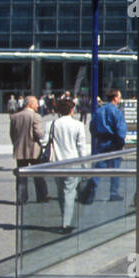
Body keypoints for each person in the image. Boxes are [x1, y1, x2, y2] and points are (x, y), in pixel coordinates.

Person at [48, 98, 89, 233]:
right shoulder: (78, 125)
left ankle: (64, 217)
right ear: (72, 110)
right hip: (72, 163)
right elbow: (82, 148)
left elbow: (44, 142)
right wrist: (86, 167)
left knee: (61, 192)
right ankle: (66, 223)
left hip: (57, 163)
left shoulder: (52, 124)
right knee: (70, 193)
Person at [89, 88, 129, 202]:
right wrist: (120, 143)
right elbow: (121, 130)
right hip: (114, 142)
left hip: (102, 142)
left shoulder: (99, 110)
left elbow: (92, 127)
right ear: (115, 98)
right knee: (115, 169)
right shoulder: (117, 112)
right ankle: (113, 193)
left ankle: (91, 191)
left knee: (99, 168)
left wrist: (98, 137)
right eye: (119, 96)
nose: (120, 98)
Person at [10, 95, 50, 205]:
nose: (38, 105)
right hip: (34, 150)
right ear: (30, 104)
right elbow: (39, 133)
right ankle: (42, 195)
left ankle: (21, 198)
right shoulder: (35, 116)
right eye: (36, 103)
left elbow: (12, 134)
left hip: (20, 150)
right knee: (38, 174)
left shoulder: (15, 116)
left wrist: (16, 144)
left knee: (21, 176)